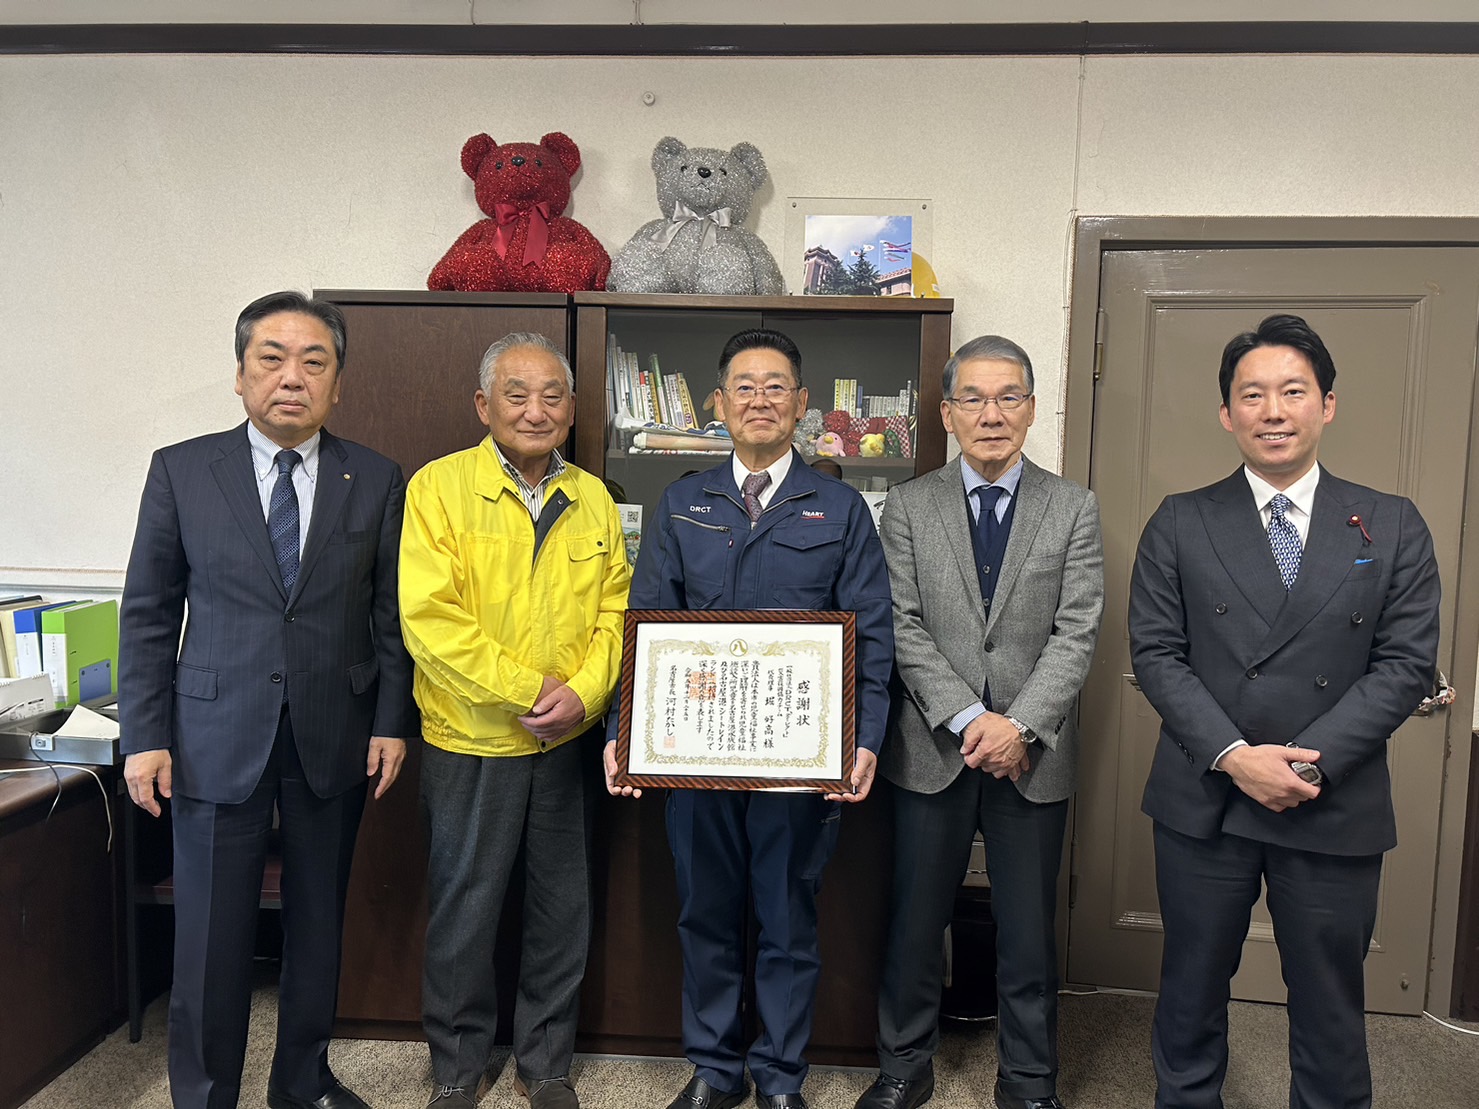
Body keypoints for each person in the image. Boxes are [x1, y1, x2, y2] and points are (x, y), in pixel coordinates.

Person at [1129, 314, 1441, 1109]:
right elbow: (1156, 655)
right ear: (1226, 413)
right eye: (1252, 394)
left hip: (1327, 797)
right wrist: (1237, 754)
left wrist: (1301, 760)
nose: (1273, 410)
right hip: (1206, 794)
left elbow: (1404, 664)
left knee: (1330, 1000)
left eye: (1292, 391)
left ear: (1327, 404)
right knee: (1191, 987)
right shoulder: (1180, 519)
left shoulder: (1391, 521)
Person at [119, 291, 418, 1109]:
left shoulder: (376, 476)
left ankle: (302, 1082)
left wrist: (393, 722)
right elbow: (149, 611)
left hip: (335, 732)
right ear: (241, 373)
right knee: (211, 940)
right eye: (273, 359)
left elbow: (388, 615)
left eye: (314, 361)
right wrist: (144, 736)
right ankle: (206, 1094)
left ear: (338, 382)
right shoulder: (182, 468)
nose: (293, 377)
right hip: (214, 732)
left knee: (317, 929)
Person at [605, 328, 893, 1109]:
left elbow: (871, 633)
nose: (760, 400)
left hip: (797, 758)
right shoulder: (682, 501)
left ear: (801, 405)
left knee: (787, 920)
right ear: (720, 405)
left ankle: (778, 1076)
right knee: (703, 912)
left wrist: (864, 740)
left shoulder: (837, 507)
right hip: (695, 751)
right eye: (744, 386)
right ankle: (712, 1068)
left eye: (776, 387)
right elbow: (646, 619)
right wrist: (621, 735)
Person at [857, 336, 1104, 1109]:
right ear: (945, 411)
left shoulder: (1073, 506)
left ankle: (1028, 1083)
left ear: (1030, 408)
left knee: (1028, 932)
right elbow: (897, 623)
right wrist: (970, 717)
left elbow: (1077, 629)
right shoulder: (908, 503)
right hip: (932, 745)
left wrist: (1018, 725)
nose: (990, 414)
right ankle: (903, 1068)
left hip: (1033, 755)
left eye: (1008, 397)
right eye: (973, 398)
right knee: (913, 920)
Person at [399, 332, 631, 1109]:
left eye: (552, 395)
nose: (535, 409)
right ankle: (457, 1067)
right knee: (465, 910)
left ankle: (547, 1063)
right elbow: (430, 620)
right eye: (516, 393)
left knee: (560, 910)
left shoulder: (593, 497)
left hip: (565, 742)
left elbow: (616, 612)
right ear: (483, 404)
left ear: (571, 409)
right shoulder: (438, 489)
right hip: (471, 739)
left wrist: (587, 693)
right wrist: (529, 689)